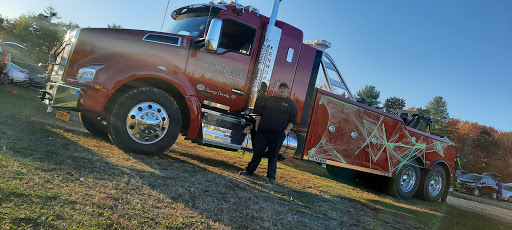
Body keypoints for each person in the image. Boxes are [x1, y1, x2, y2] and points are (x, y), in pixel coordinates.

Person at [240, 82, 298, 185]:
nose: (282, 90)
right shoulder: (269, 100)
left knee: (273, 156)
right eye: (281, 88)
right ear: (278, 89)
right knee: (257, 153)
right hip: (263, 132)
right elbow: (260, 114)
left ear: (287, 91)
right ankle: (249, 171)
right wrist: (257, 126)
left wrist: (285, 132)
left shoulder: (291, 104)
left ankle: (271, 178)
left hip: (277, 135)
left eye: (285, 88)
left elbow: (292, 121)